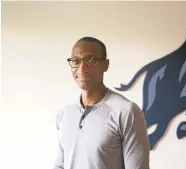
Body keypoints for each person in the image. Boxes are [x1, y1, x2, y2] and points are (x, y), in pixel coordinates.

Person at [53, 37, 150, 169]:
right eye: (76, 61)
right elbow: (59, 165)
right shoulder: (64, 112)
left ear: (106, 65)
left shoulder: (126, 111)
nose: (82, 69)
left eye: (91, 60)